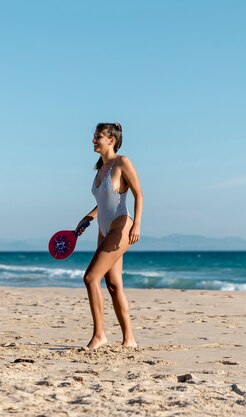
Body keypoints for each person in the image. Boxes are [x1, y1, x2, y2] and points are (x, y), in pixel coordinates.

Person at [75, 122, 143, 350]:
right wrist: (89, 217)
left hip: (121, 226)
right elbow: (104, 203)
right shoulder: (100, 168)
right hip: (103, 228)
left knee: (90, 278)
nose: (94, 140)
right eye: (94, 136)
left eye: (98, 137)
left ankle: (99, 335)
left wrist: (137, 226)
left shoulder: (122, 163)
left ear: (111, 140)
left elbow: (139, 194)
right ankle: (129, 340)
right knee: (113, 285)